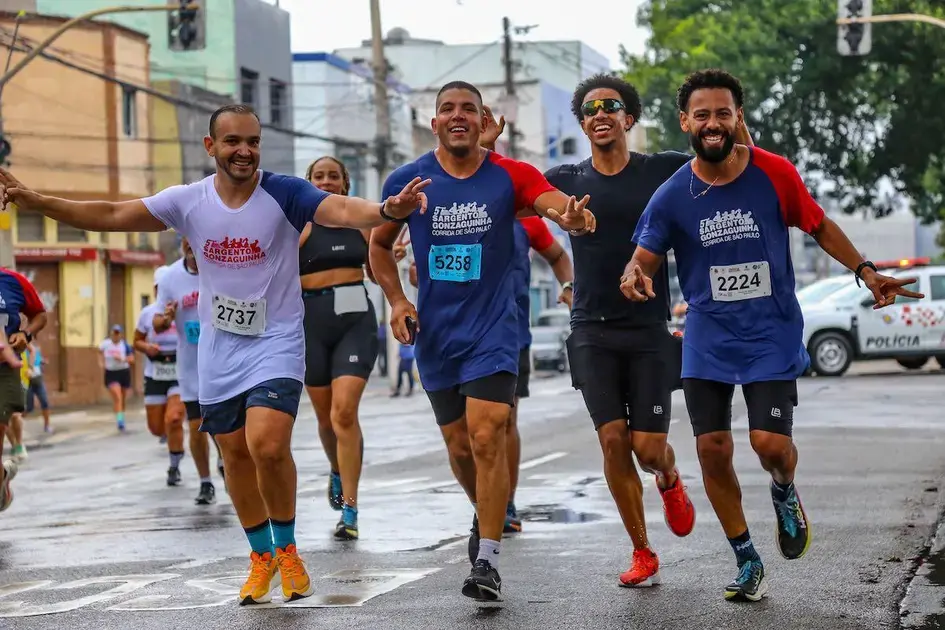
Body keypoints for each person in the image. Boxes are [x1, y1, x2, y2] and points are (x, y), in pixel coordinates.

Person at [0, 102, 429, 605]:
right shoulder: (189, 201)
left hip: (277, 339)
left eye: (252, 141)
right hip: (220, 348)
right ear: (212, 147)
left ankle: (288, 549)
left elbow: (338, 208)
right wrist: (38, 201)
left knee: (268, 443)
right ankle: (260, 555)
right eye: (232, 142)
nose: (244, 151)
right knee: (235, 456)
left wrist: (386, 211)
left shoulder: (284, 192)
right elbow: (113, 214)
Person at [621, 68, 922, 602]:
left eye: (723, 113)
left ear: (738, 117)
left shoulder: (774, 173)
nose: (712, 124)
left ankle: (783, 490)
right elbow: (644, 255)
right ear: (685, 121)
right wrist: (635, 273)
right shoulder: (671, 195)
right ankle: (746, 558)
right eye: (702, 115)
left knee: (770, 445)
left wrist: (868, 271)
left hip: (771, 333)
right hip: (708, 338)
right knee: (712, 449)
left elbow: (818, 224)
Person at [369, 80, 595, 602]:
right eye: (447, 108)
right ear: (434, 123)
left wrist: (572, 215)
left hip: (495, 330)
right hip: (436, 334)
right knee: (459, 445)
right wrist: (398, 300)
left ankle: (488, 559)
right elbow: (379, 248)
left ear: (481, 119)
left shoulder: (509, 176)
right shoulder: (409, 180)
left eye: (468, 108)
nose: (457, 116)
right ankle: (484, 512)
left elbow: (554, 204)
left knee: (488, 433)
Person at [513, 73, 711, 587]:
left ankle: (668, 477)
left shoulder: (663, 171)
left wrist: (729, 120)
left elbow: (727, 164)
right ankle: (642, 550)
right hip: (590, 329)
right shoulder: (564, 178)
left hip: (647, 329)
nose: (600, 113)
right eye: (590, 108)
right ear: (582, 123)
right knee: (611, 441)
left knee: (647, 448)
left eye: (612, 106)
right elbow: (506, 199)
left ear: (629, 118)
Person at [478, 107, 577, 534]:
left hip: (511, 331)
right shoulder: (452, 206)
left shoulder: (525, 220)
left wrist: (570, 289)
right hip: (458, 332)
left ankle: (507, 502)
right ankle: (484, 496)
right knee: (473, 430)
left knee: (505, 420)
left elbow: (558, 256)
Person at [298, 155, 403, 541]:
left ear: (345, 184)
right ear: (308, 182)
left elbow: (376, 271)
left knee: (344, 414)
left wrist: (391, 259)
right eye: (318, 177)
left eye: (333, 177)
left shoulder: (359, 223)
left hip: (354, 322)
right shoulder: (300, 224)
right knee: (325, 419)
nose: (326, 182)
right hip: (309, 325)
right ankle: (337, 469)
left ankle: (351, 510)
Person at [135, 265, 187, 487]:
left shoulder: (185, 308)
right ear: (155, 289)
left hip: (179, 368)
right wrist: (147, 347)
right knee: (157, 427)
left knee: (173, 418)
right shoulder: (147, 314)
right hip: (155, 371)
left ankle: (174, 465)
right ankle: (171, 435)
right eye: (159, 288)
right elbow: (136, 340)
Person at [0, 267, 47, 511]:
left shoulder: (13, 281)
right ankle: (3, 478)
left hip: (4, 369)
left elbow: (40, 315)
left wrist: (25, 334)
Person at [98, 325, 134, 431]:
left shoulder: (125, 346)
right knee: (117, 397)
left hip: (123, 372)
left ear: (121, 335)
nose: (116, 336)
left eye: (118, 333)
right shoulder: (105, 344)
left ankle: (121, 415)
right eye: (114, 333)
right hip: (111, 373)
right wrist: (101, 363)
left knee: (122, 399)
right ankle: (120, 421)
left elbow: (132, 360)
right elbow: (99, 352)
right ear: (111, 334)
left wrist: (122, 359)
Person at [24, 340, 51, 434]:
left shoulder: (36, 348)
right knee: (28, 407)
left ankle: (47, 426)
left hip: (38, 379)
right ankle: (14, 425)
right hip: (28, 381)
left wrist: (43, 362)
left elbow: (38, 360)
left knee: (45, 402)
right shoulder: (22, 350)